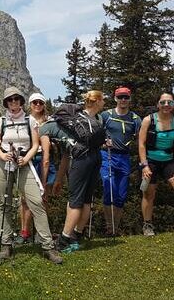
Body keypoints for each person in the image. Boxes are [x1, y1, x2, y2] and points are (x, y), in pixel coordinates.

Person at [0, 87, 62, 264]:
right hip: (3, 164)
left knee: (36, 201)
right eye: (10, 100)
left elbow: (35, 144)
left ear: (21, 101)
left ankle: (48, 246)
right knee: (4, 203)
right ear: (6, 102)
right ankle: (6, 244)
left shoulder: (30, 120)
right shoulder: (0, 121)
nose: (14, 102)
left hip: (24, 164)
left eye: (17, 99)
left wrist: (26, 159)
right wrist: (3, 155)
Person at [55, 91, 106, 253]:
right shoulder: (97, 120)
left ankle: (63, 239)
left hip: (82, 159)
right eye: (102, 99)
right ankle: (76, 236)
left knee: (75, 199)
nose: (104, 102)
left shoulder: (78, 117)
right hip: (95, 157)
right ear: (96, 101)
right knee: (86, 199)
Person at [138, 93, 174, 236]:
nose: (166, 105)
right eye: (163, 102)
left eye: (170, 102)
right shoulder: (148, 120)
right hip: (150, 161)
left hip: (169, 161)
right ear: (158, 104)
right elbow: (141, 144)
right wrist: (144, 165)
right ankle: (147, 225)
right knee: (148, 193)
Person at [100, 87, 142, 236]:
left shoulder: (136, 119)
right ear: (115, 98)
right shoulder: (106, 115)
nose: (123, 100)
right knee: (108, 188)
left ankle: (115, 228)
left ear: (130, 99)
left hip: (124, 157)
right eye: (120, 97)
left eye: (126, 97)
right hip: (107, 155)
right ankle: (109, 227)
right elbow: (96, 133)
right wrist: (103, 142)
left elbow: (140, 140)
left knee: (121, 194)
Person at [16, 92, 53, 244]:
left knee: (43, 199)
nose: (37, 105)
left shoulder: (49, 122)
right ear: (30, 105)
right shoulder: (24, 120)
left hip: (45, 160)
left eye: (40, 103)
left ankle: (40, 233)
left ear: (44, 105)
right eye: (34, 102)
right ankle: (25, 231)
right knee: (25, 200)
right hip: (29, 160)